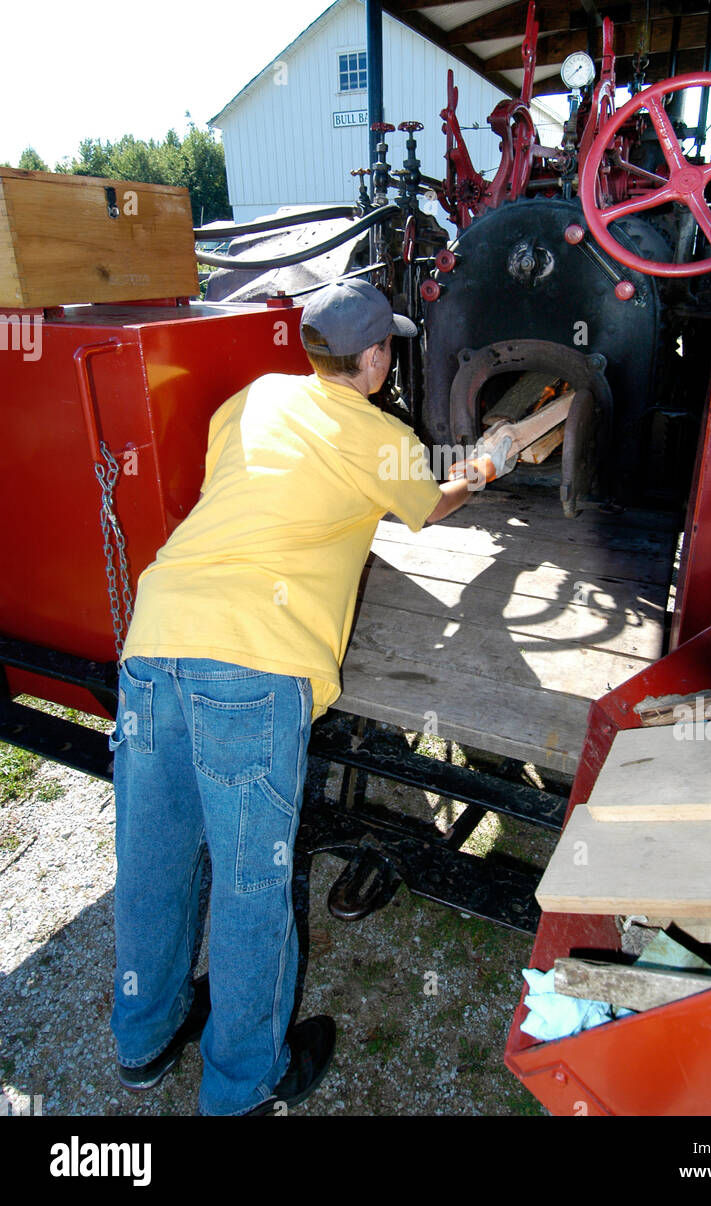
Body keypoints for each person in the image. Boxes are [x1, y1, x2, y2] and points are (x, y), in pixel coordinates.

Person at [108, 277, 512, 1117]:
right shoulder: (376, 434)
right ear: (373, 359)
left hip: (154, 640)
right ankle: (243, 1083)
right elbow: (433, 504)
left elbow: (263, 489)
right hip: (249, 668)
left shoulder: (254, 398)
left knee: (154, 860)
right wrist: (489, 458)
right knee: (253, 884)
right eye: (388, 348)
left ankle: (142, 1040)